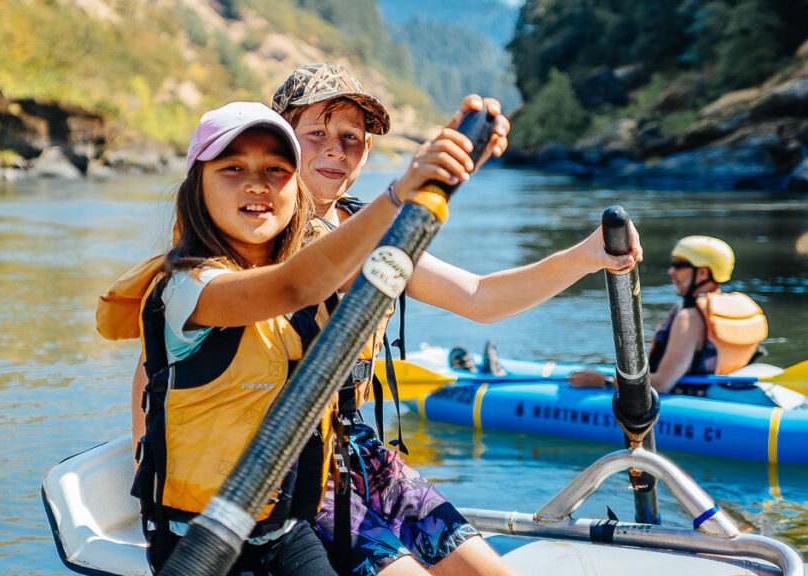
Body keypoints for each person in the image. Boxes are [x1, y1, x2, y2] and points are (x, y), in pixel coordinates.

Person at [270, 63, 641, 576]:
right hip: (288, 466)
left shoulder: (370, 228)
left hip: (359, 453)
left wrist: (583, 256)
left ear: (369, 150)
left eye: (350, 137)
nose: (335, 149)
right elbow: (170, 354)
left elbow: (479, 296)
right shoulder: (256, 233)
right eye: (315, 133)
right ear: (279, 141)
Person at [99, 100, 494, 575]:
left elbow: (442, 285)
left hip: (282, 527)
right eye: (232, 168)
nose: (256, 183)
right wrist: (400, 193)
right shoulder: (189, 287)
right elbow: (295, 285)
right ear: (196, 188)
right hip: (201, 541)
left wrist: (447, 172)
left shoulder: (310, 271)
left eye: (276, 169)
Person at [568, 235, 768, 395]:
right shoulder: (738, 305)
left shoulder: (690, 318)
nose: (672, 271)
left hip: (686, 403)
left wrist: (602, 380)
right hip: (723, 393)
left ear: (702, 274)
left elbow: (662, 384)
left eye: (680, 265)